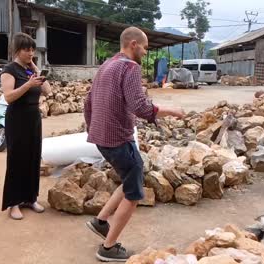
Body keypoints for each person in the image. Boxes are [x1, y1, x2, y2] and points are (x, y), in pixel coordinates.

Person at [84, 27, 186, 262]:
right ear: (133, 44)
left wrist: (92, 129)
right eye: (145, 47)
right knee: (134, 192)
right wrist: (171, 110)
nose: (145, 51)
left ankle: (100, 221)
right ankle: (108, 248)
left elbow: (87, 102)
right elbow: (139, 106)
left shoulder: (106, 66)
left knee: (131, 175)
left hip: (102, 137)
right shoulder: (130, 67)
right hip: (118, 138)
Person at [0, 33, 52, 220]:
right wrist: (28, 85)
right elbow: (9, 96)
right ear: (17, 50)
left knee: (33, 158)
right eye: (26, 49)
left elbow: (48, 91)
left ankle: (30, 198)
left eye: (32, 49)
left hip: (33, 117)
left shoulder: (31, 70)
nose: (30, 53)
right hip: (17, 118)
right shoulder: (9, 70)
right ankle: (13, 203)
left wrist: (36, 71)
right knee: (17, 160)